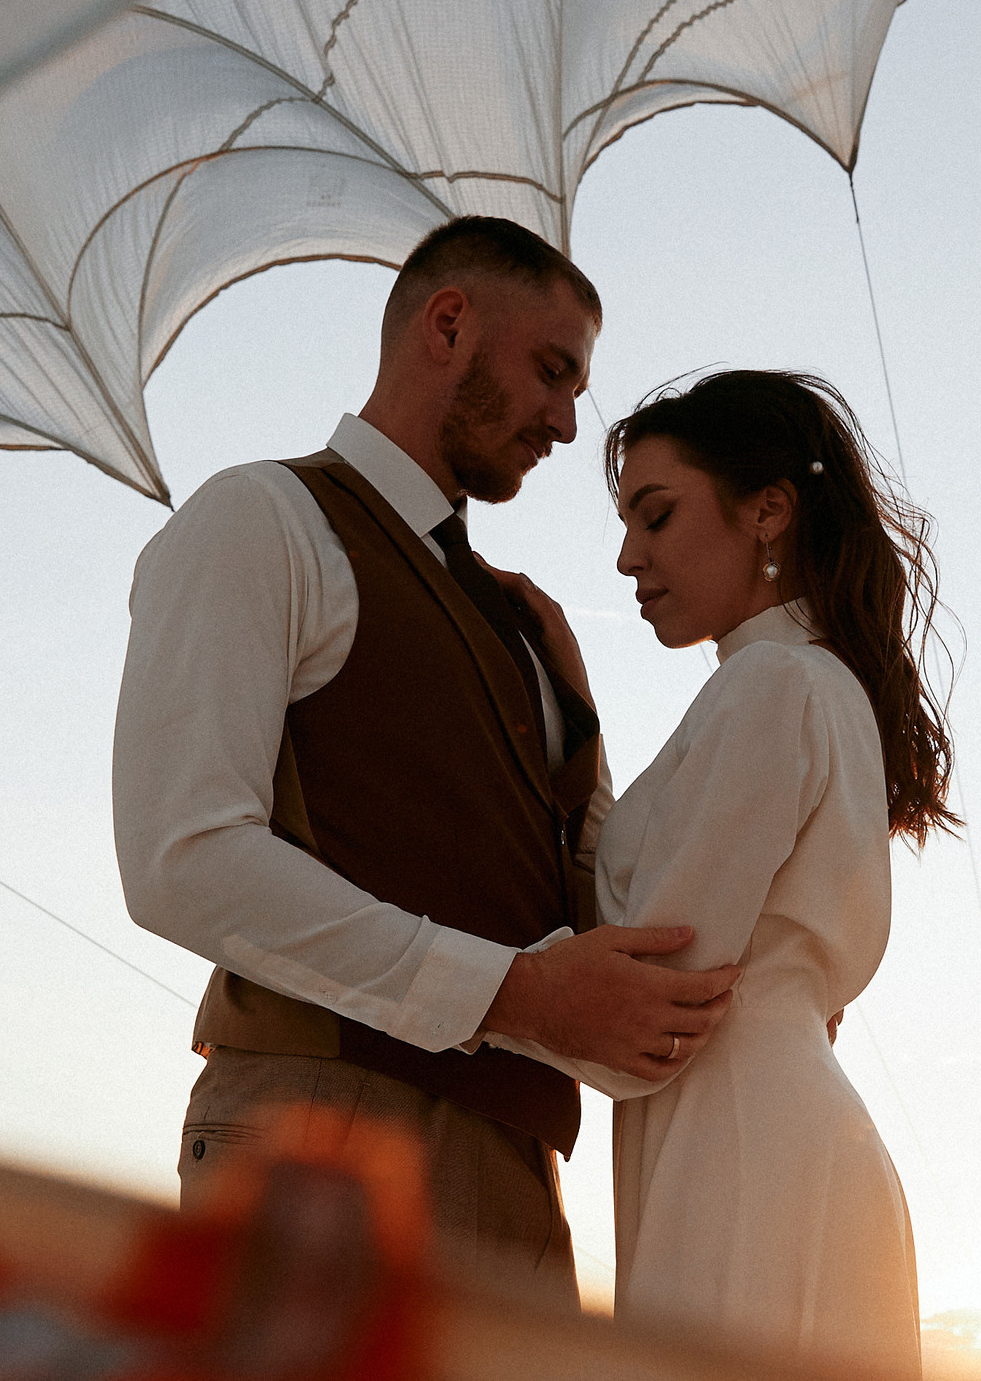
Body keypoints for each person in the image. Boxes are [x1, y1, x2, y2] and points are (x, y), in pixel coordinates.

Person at [110, 215, 738, 1307]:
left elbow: (598, 895)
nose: (565, 419)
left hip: (522, 1169)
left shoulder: (534, 632)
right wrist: (514, 995)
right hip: (317, 1138)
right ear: (447, 324)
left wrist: (757, 955)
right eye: (552, 371)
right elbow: (182, 859)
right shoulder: (260, 519)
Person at [500, 369, 952, 1376]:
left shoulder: (773, 685)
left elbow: (651, 1009)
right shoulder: (801, 683)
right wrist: (575, 705)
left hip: (745, 1151)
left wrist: (462, 999)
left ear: (768, 511)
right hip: (765, 1133)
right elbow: (656, 916)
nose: (628, 556)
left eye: (655, 516)